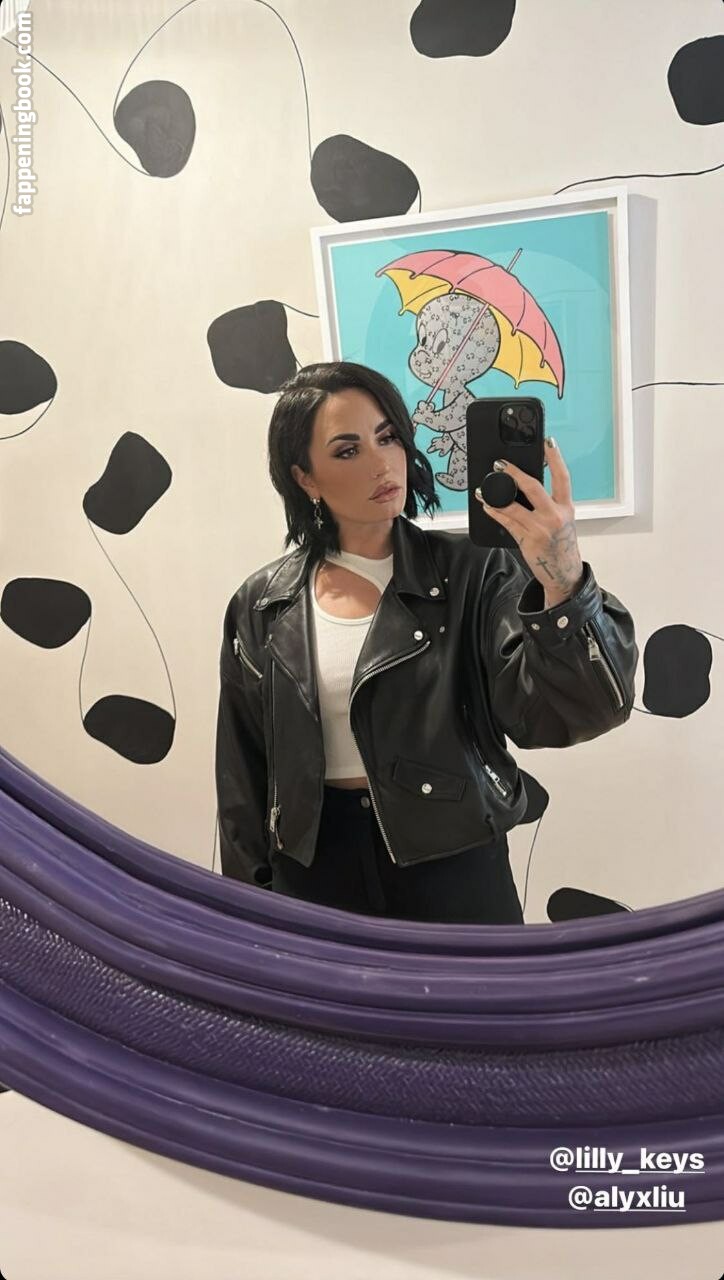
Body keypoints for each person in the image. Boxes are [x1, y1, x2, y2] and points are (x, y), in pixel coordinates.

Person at [215, 362, 638, 923]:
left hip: (454, 863)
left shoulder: (475, 572)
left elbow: (572, 713)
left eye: (388, 437)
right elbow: (242, 775)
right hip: (313, 873)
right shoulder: (264, 604)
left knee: (483, 988)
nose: (381, 463)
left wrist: (562, 579)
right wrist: (245, 915)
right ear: (305, 478)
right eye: (348, 450)